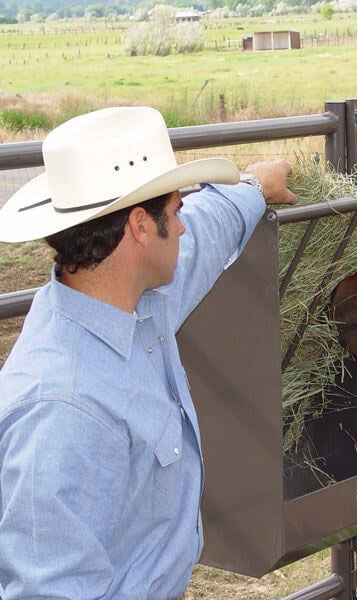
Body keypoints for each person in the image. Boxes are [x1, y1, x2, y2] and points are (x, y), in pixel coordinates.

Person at [0, 106, 296, 599]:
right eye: (176, 211)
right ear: (140, 227)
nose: (182, 228)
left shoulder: (136, 302)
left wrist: (253, 188)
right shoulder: (63, 410)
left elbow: (206, 230)